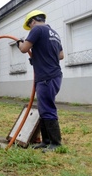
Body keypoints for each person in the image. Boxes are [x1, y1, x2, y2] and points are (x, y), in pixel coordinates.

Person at [17, 10, 64, 152]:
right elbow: (60, 55)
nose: (30, 28)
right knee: (44, 108)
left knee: (47, 108)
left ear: (32, 21)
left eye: (29, 25)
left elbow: (24, 49)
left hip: (46, 77)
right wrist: (40, 57)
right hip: (54, 75)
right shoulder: (54, 33)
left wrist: (19, 42)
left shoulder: (37, 29)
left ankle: (56, 143)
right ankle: (46, 141)